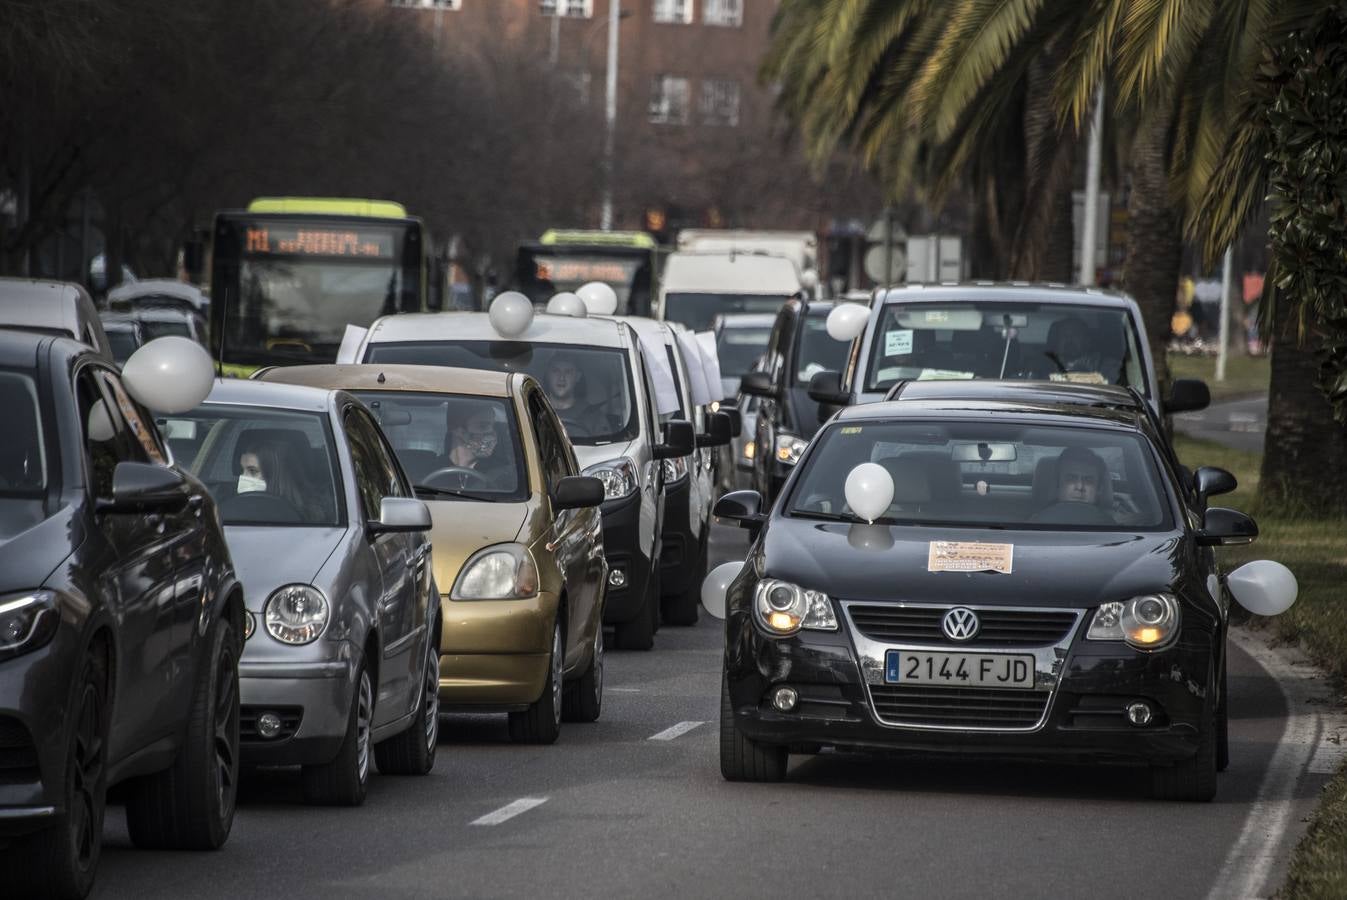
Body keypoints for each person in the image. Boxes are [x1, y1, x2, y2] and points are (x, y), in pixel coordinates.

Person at [235, 440, 320, 520]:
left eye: (252, 471)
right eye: (241, 470)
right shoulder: (230, 509)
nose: (243, 477)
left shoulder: (305, 518)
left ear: (274, 475)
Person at [1031, 446, 1113, 525]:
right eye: (1071, 479)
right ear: (1057, 485)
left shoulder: (1117, 528)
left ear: (1099, 489)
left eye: (1088, 481)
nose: (1079, 487)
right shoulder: (1033, 526)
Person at [543, 353, 611, 437]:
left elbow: (605, 448)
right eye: (556, 371)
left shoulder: (594, 416)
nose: (561, 378)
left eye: (568, 372)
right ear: (547, 375)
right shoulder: (536, 411)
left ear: (578, 377)